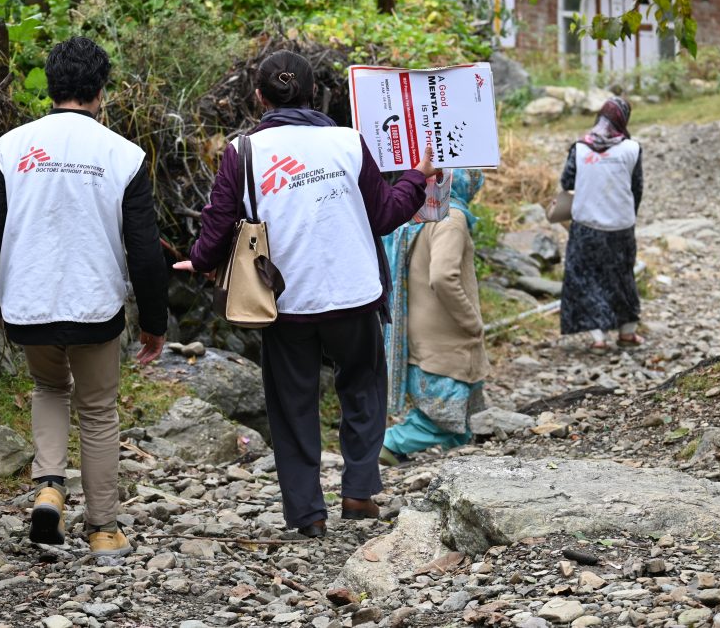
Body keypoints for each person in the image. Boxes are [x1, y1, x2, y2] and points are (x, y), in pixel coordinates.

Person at [175, 50, 439, 538]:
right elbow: (383, 216)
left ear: (259, 97)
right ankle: (359, 492)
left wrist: (201, 260)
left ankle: (308, 515)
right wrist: (416, 177)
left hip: (284, 302)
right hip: (354, 293)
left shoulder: (242, 152)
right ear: (315, 92)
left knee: (292, 405)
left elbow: (216, 225)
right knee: (362, 388)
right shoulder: (348, 142)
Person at [0, 37, 168, 557]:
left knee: (48, 388)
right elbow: (144, 251)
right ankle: (102, 528)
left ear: (51, 88)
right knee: (97, 409)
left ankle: (49, 486)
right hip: (95, 306)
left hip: (28, 303)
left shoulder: (11, 148)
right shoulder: (125, 156)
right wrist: (155, 319)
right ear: (101, 92)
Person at [380, 169, 490, 465]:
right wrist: (471, 320)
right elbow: (443, 276)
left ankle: (460, 449)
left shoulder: (422, 213)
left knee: (457, 398)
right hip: (445, 330)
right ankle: (390, 443)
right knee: (445, 405)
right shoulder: (452, 218)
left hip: (420, 325)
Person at [559, 96, 643, 352]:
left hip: (587, 225)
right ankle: (627, 333)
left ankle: (599, 338)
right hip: (620, 226)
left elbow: (567, 182)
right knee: (622, 277)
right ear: (622, 120)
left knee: (588, 278)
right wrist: (626, 214)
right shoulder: (632, 149)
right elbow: (636, 188)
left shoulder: (580, 148)